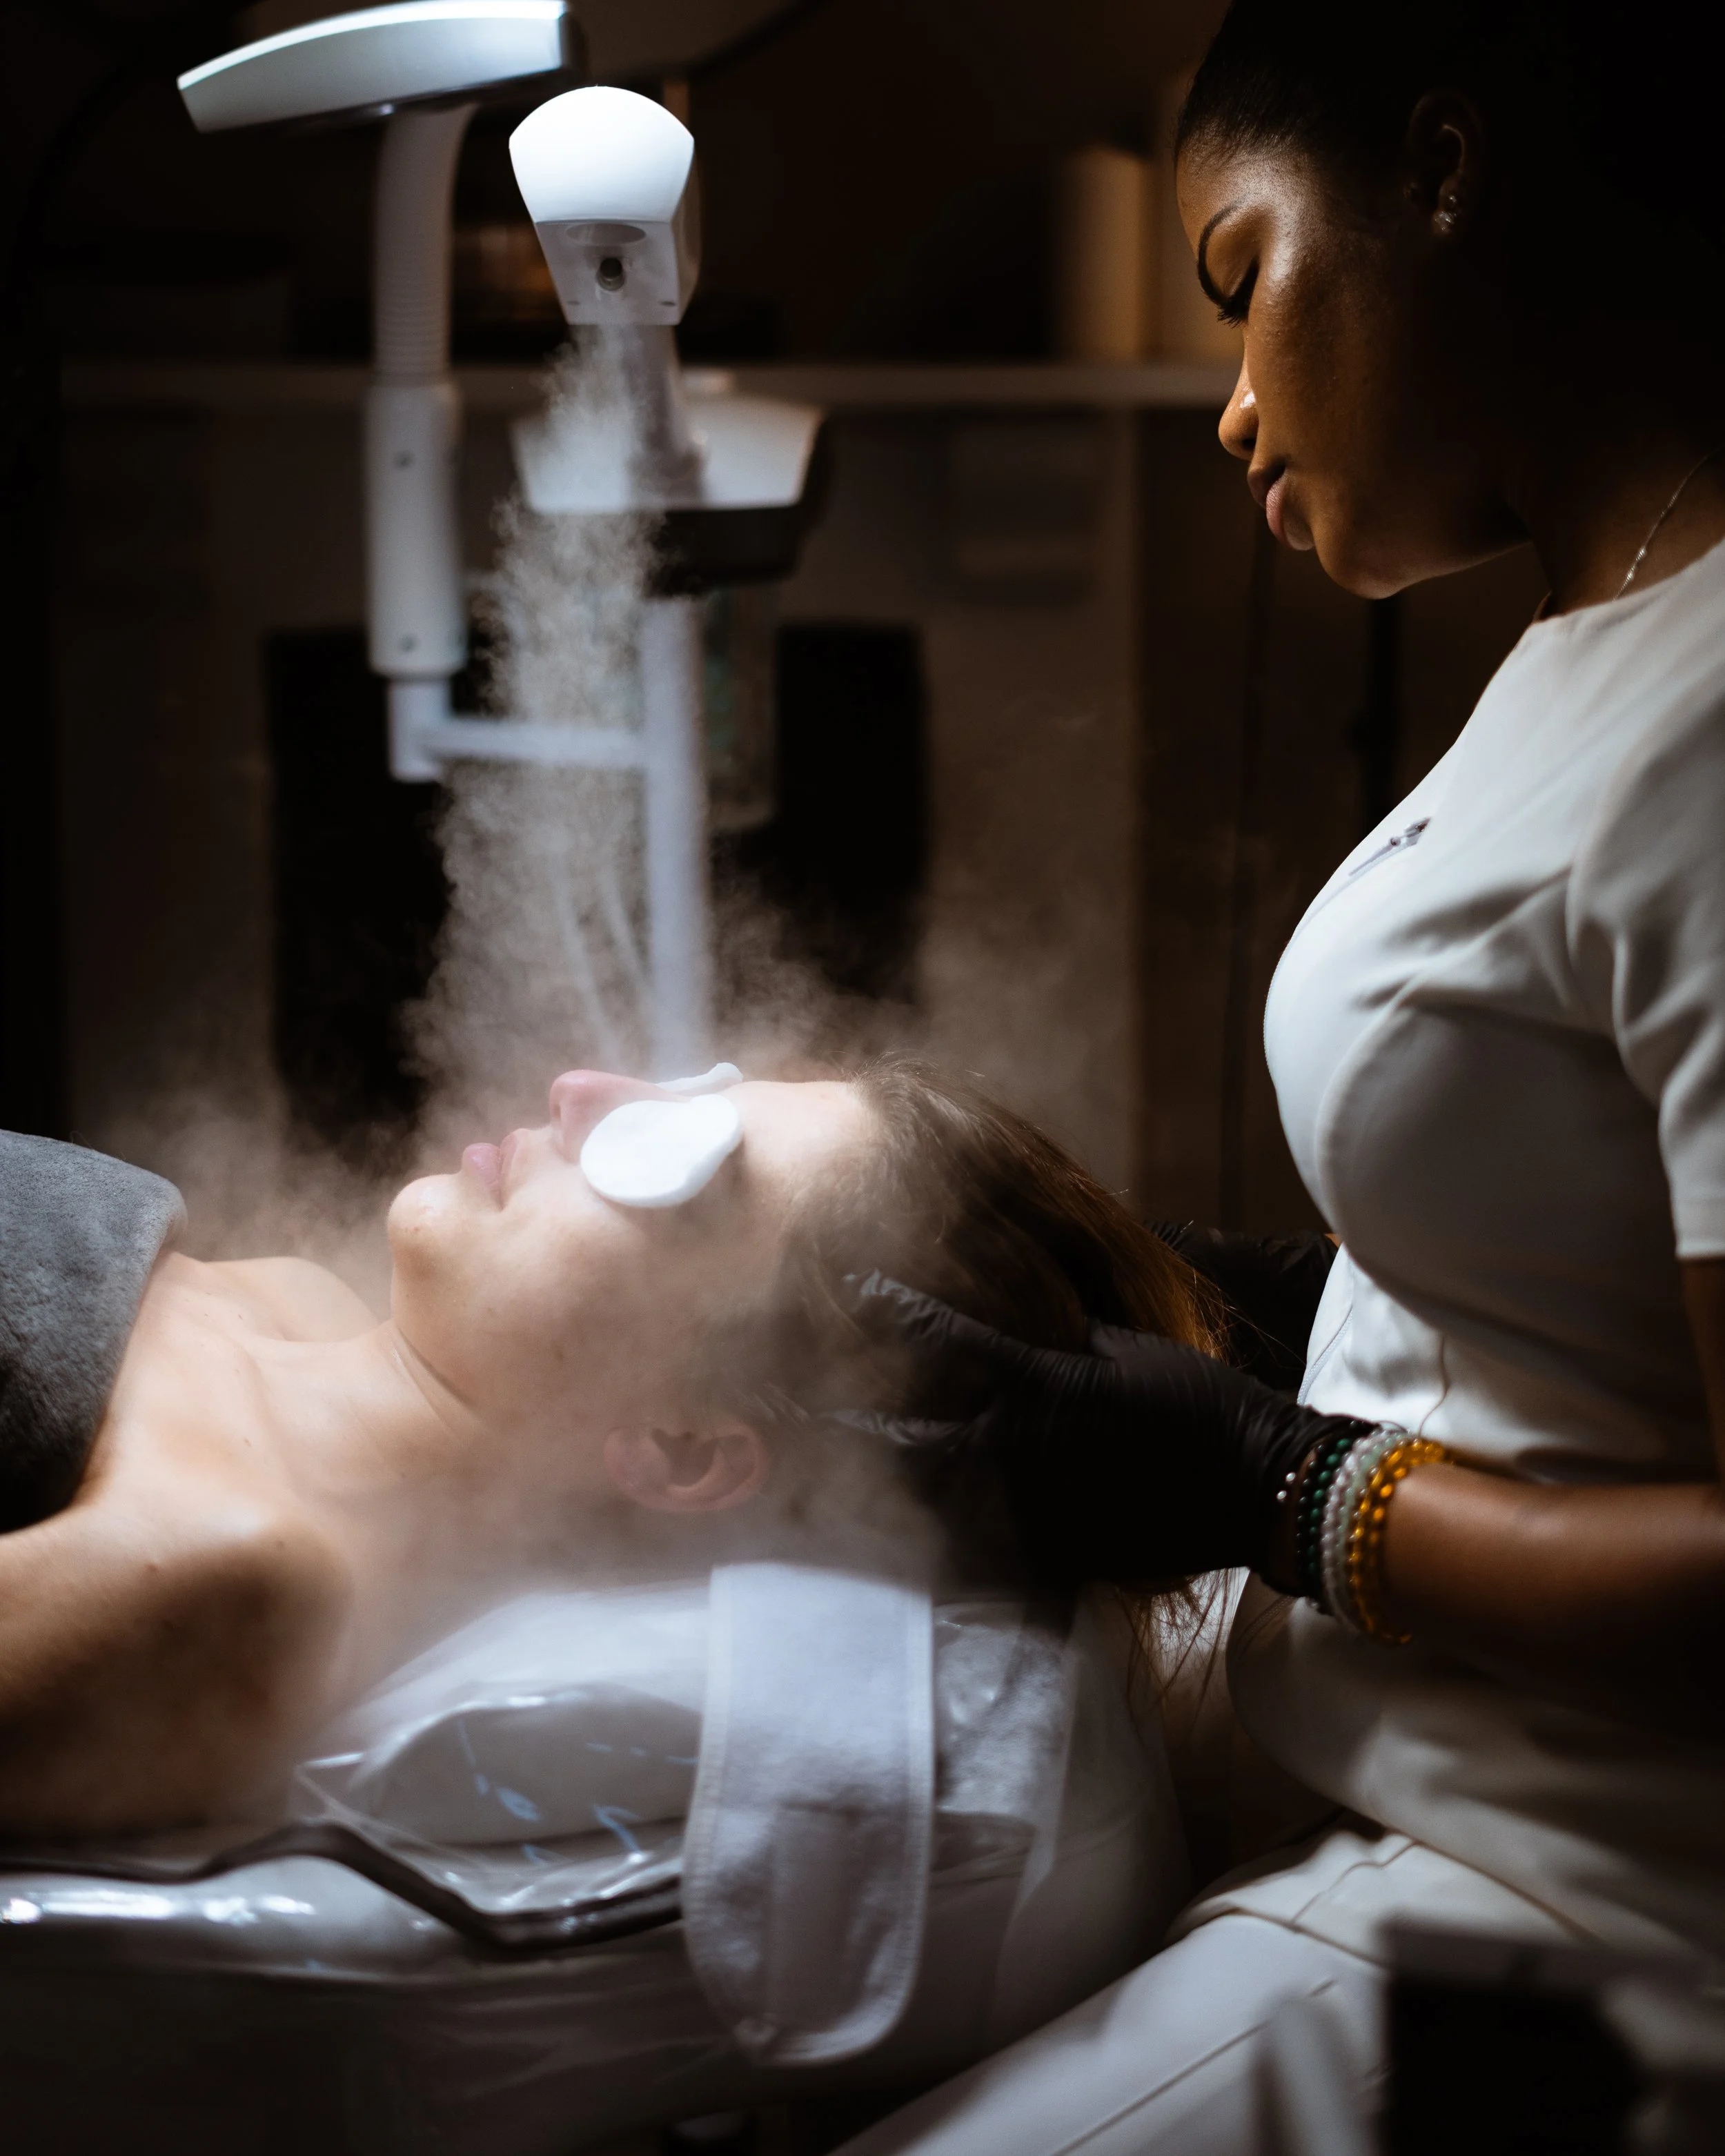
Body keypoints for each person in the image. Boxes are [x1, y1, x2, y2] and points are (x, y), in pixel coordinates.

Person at [834, 4, 1725, 2149]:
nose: (1232, 406)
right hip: (1368, 1812)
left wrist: (1273, 1481)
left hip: (1584, 1924)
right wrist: (1212, 1303)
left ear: (1439, 172)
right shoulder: (1585, 656)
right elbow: (1556, 1277)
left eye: (1242, 282)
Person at [0, 1059, 1214, 1841]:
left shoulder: (233, 1579)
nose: (583, 1090)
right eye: (685, 1086)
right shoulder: (306, 1305)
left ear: (685, 1448)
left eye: (672, 1168)